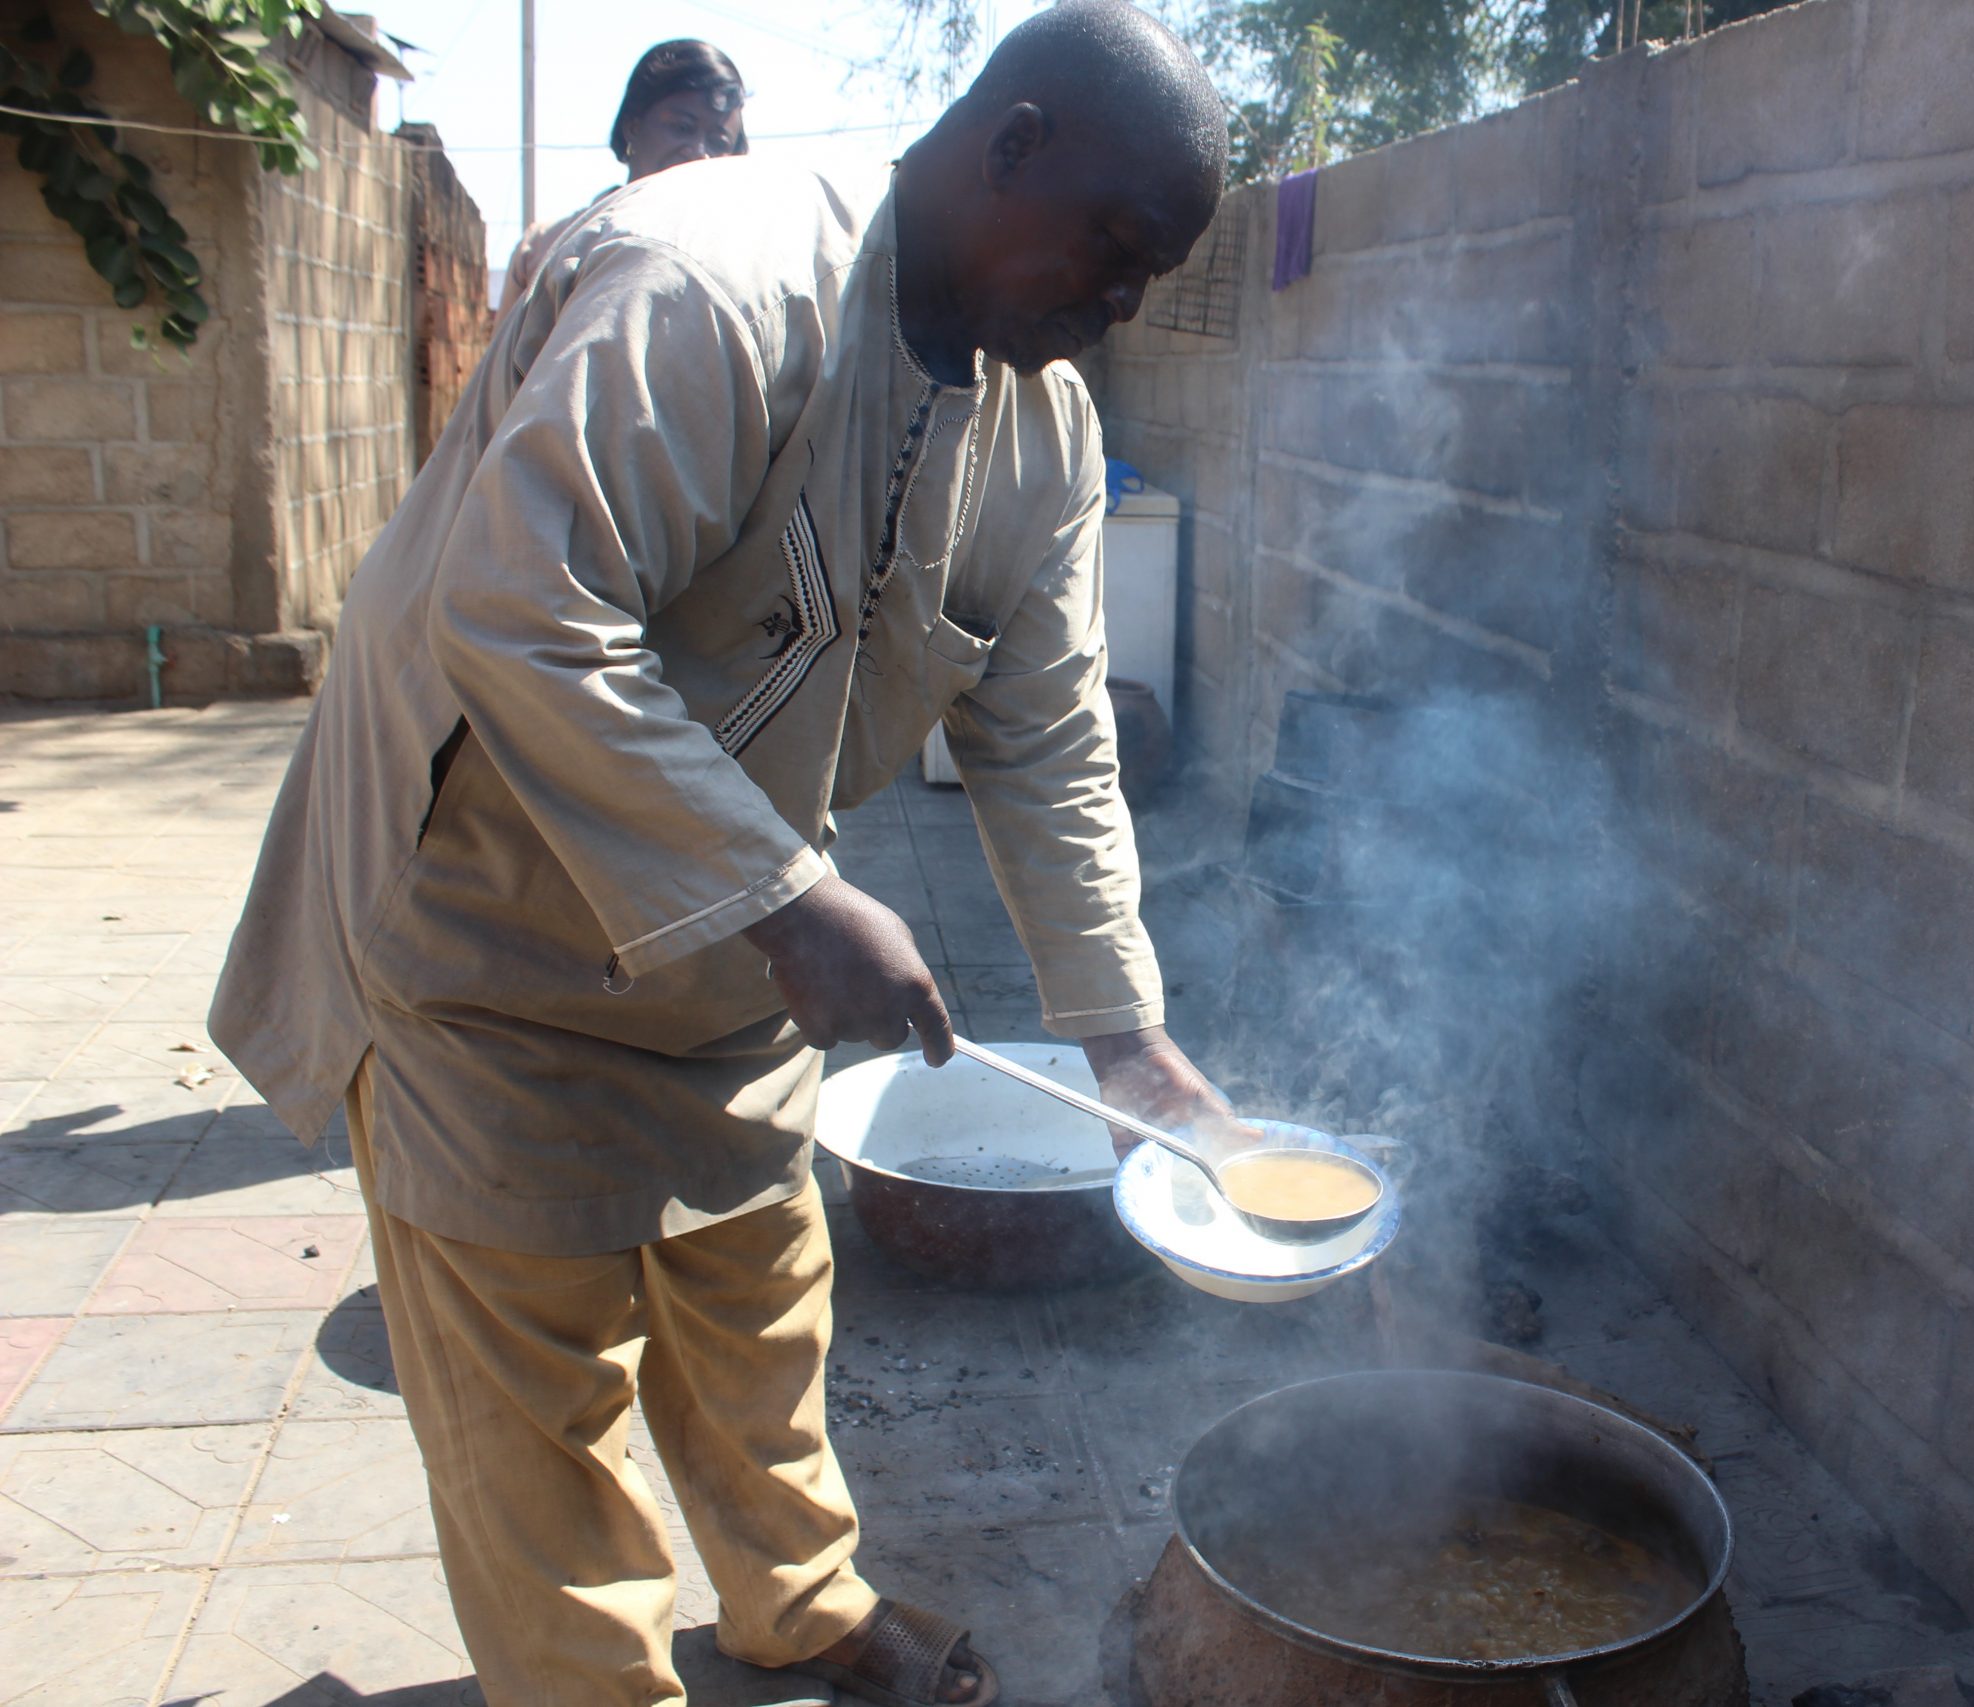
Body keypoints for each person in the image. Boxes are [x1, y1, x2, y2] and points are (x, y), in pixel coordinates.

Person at [209, 4, 1230, 1702]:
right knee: (546, 1411)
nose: (1118, 307)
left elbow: (1045, 731)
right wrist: (788, 893)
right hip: (487, 941)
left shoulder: (1039, 430)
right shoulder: (714, 288)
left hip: (732, 939)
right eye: (1116, 252)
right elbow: (517, 610)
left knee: (761, 1297)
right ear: (1017, 142)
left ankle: (806, 1611)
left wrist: (1125, 1035)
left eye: (1150, 283)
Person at [495, 38, 750, 317]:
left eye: (719, 141)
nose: (700, 153)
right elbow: (504, 360)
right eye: (682, 127)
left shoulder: (740, 266)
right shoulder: (541, 250)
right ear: (632, 126)